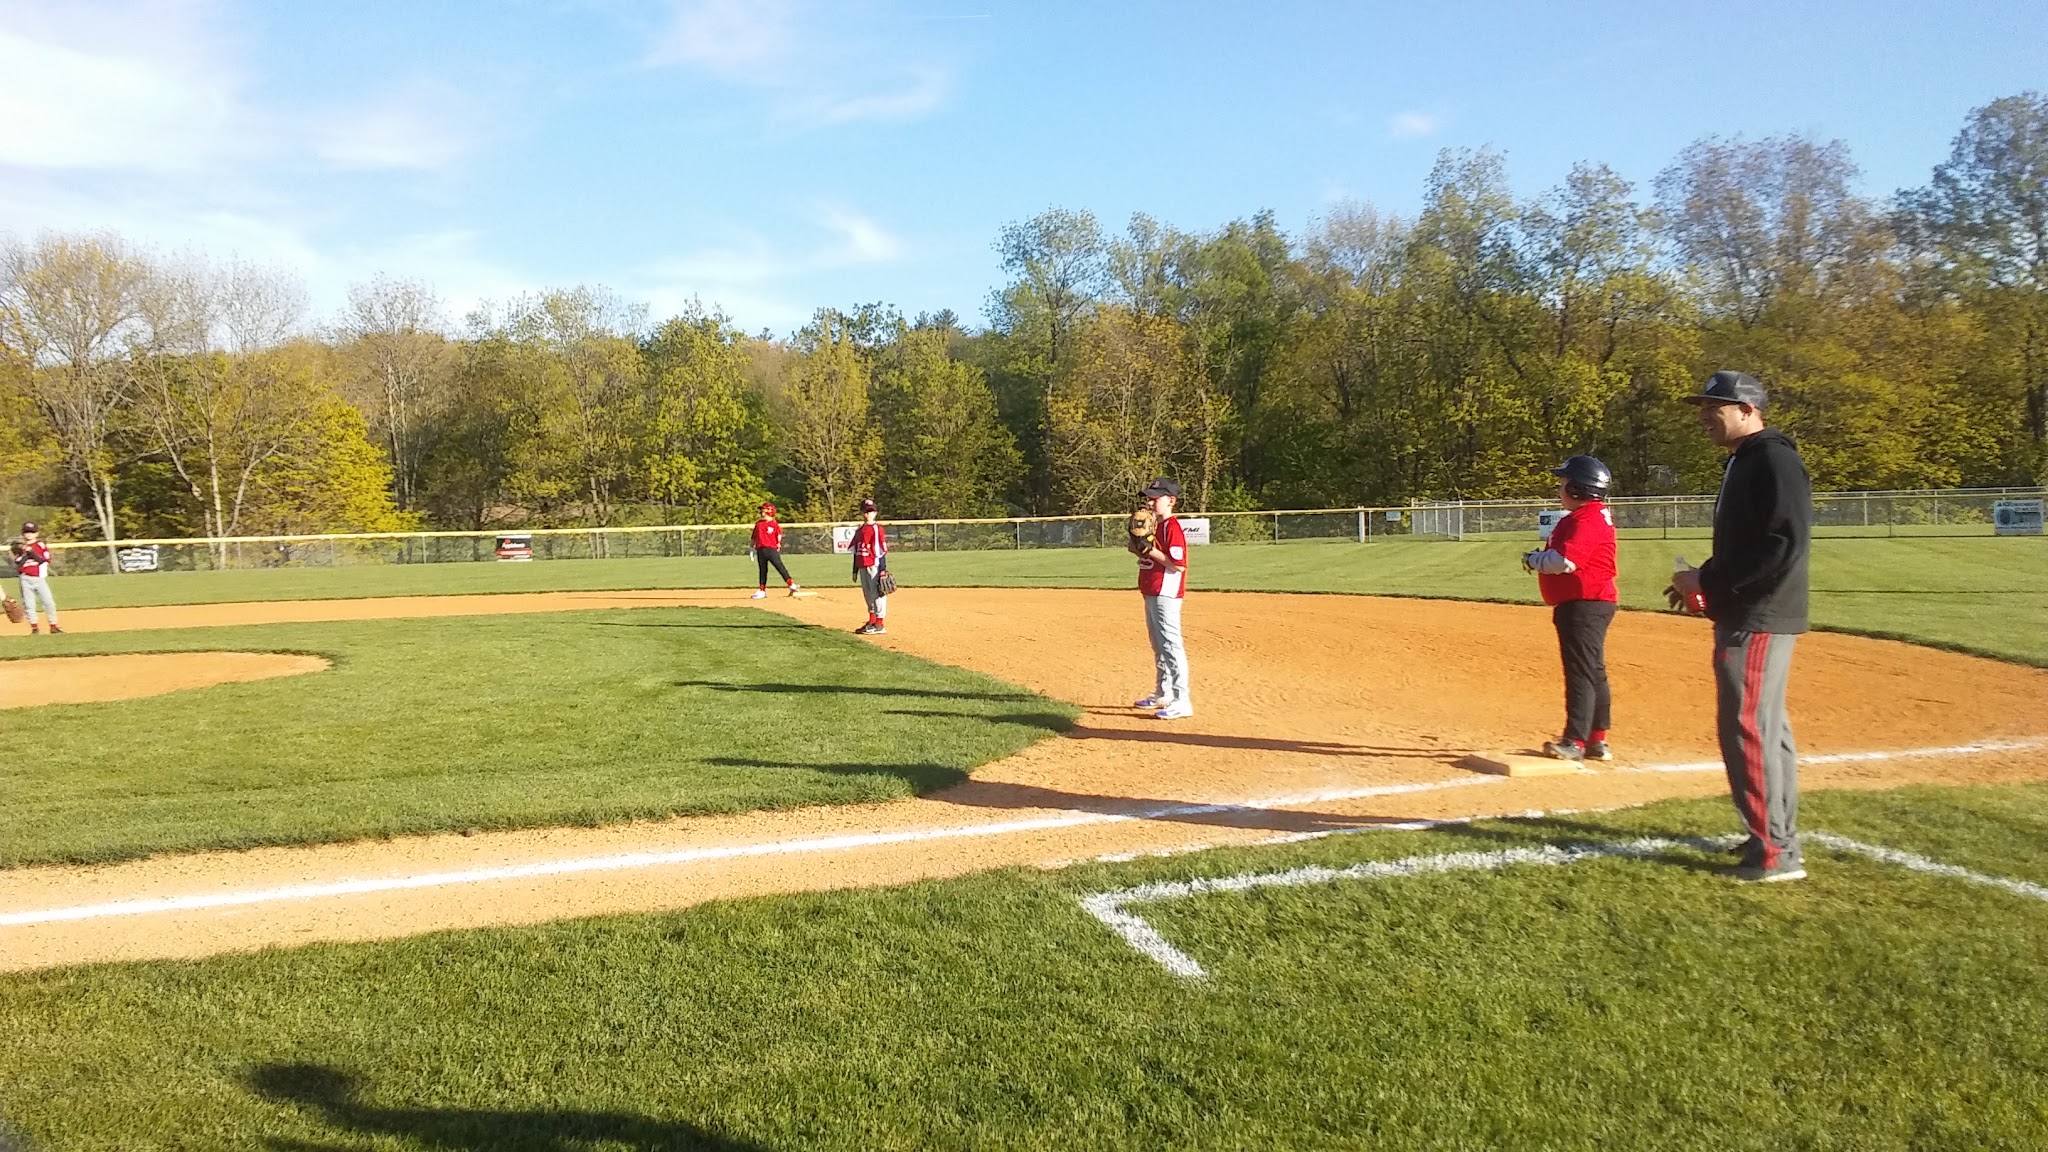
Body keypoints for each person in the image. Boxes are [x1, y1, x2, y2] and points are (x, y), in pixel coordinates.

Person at [1669, 371, 1813, 884]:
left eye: (1716, 407)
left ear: (1749, 410)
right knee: (1766, 729)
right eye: (1703, 407)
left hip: (1758, 615)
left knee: (1748, 728)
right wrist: (1706, 581)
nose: (1705, 416)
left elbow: (1780, 544)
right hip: (1750, 609)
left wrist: (1709, 578)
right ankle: (1773, 837)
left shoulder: (1772, 459)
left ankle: (1774, 852)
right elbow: (1752, 543)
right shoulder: (1748, 459)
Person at [1521, 456, 1618, 762]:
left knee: (1581, 673)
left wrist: (1533, 559)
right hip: (1589, 603)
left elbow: (1564, 561)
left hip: (1584, 605)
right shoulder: (1588, 515)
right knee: (1592, 670)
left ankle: (1575, 741)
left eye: (1564, 483)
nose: (1560, 488)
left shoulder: (1586, 519)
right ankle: (1596, 740)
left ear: (1578, 488)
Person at [1130, 478, 1192, 720]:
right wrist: (1136, 544)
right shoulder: (1154, 524)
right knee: (1158, 645)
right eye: (1149, 498)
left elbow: (1178, 565)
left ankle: (1182, 700)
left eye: (1155, 498)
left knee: (1171, 646)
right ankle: (1163, 693)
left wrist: (1149, 549)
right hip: (1151, 589)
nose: (1150, 502)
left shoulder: (1172, 527)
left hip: (1166, 591)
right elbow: (1139, 550)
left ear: (1171, 501)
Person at [12, 522, 60, 635]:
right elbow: (18, 563)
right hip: (25, 578)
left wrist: (31, 552)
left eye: (32, 532)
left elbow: (43, 560)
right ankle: (34, 628)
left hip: (39, 578)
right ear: (23, 534)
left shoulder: (40, 545)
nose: (29, 534)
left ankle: (53, 626)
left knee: (49, 602)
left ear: (37, 533)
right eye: (26, 532)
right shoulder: (20, 548)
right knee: (29, 604)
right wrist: (24, 552)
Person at [850, 497, 888, 635]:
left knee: (877, 593)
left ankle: (879, 623)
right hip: (862, 565)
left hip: (874, 564)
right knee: (867, 594)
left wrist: (882, 569)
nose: (869, 514)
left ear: (875, 513)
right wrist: (854, 570)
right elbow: (856, 552)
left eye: (871, 511)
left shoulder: (877, 529)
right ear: (862, 513)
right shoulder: (860, 531)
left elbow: (882, 551)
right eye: (866, 511)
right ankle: (872, 621)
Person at [749, 501, 799, 599]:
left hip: (771, 550)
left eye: (763, 510)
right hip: (760, 550)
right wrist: (751, 549)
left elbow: (778, 535)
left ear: (769, 511)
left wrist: (778, 544)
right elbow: (753, 537)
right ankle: (762, 590)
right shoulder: (758, 524)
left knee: (780, 567)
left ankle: (791, 584)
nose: (761, 512)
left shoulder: (774, 524)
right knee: (762, 570)